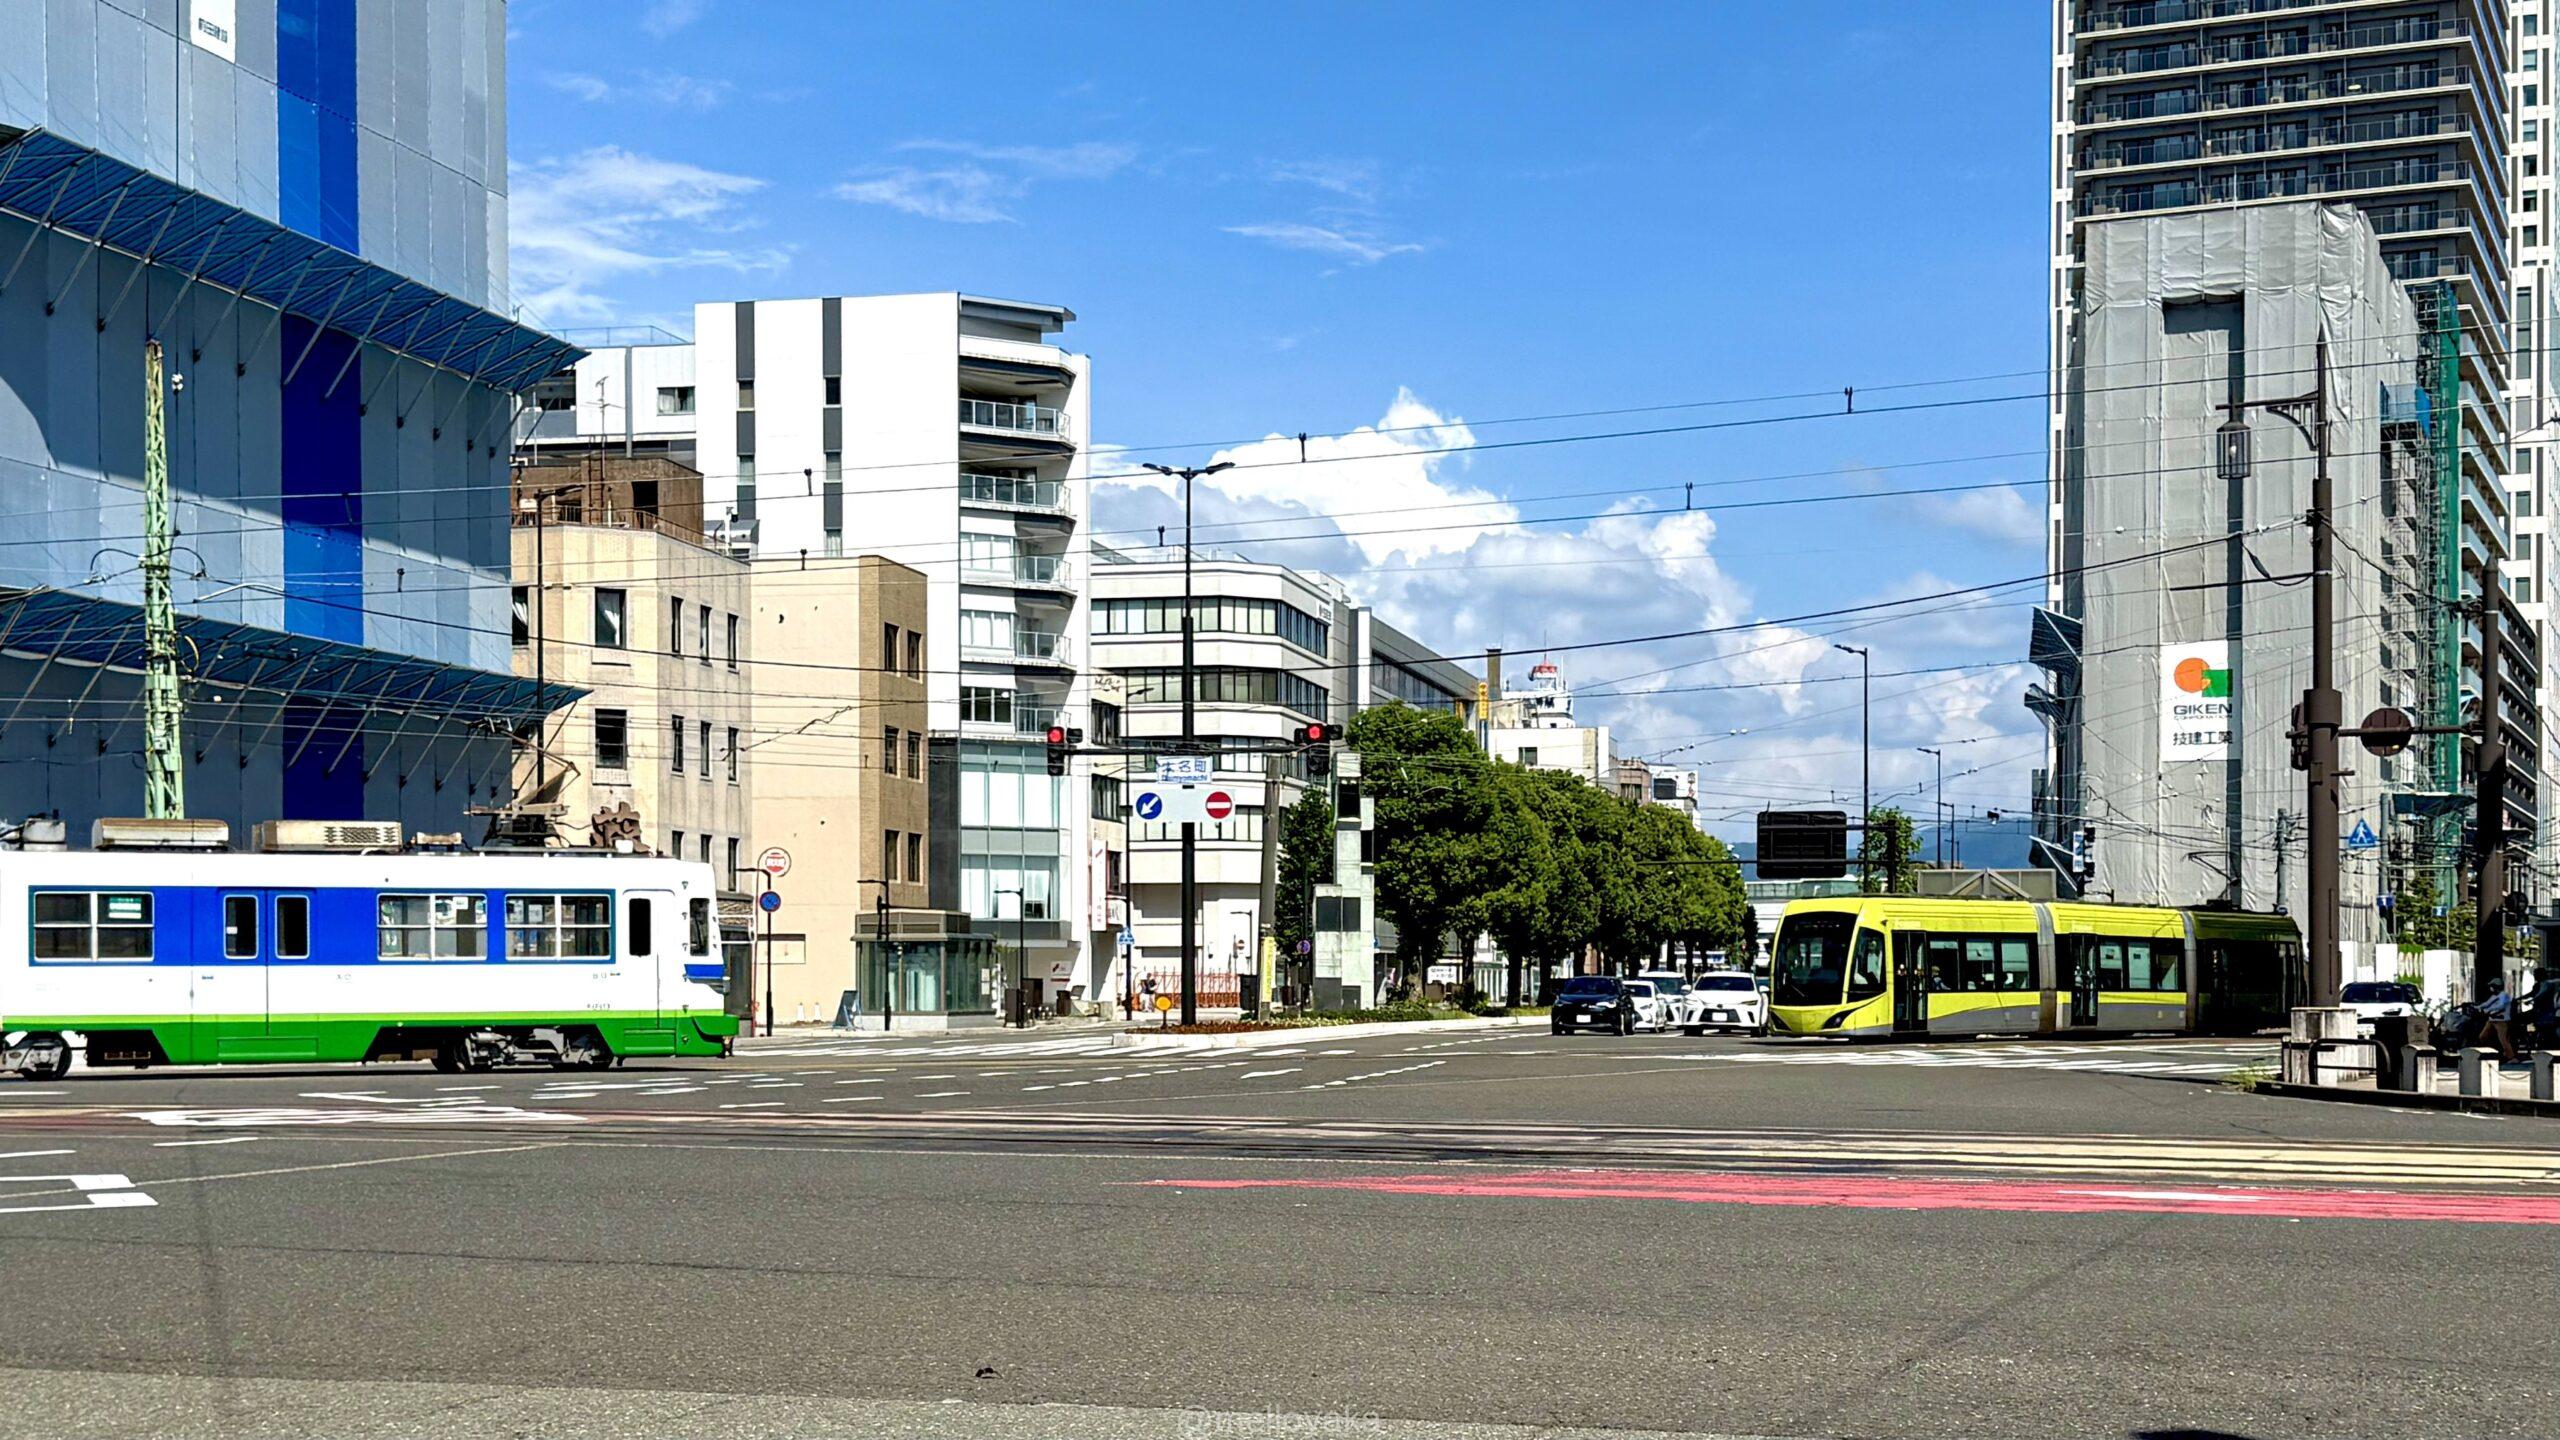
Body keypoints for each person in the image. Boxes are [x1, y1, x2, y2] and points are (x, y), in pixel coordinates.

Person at [2477, 979, 2518, 1062]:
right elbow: (2487, 1003)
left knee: (2503, 1040)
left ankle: (2511, 1057)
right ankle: (2488, 1053)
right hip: (2492, 1020)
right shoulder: (2494, 996)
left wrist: (2489, 1010)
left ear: (2496, 987)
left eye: (2492, 986)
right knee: (2482, 1037)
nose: (2490, 988)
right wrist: (2478, 1007)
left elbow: (2501, 1006)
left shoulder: (2504, 995)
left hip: (2501, 1021)